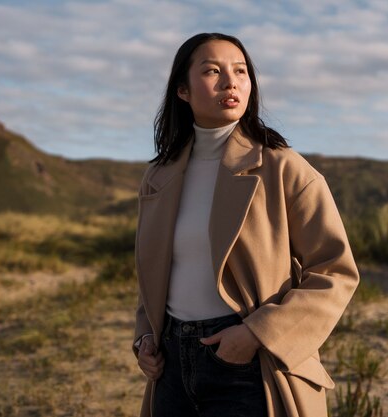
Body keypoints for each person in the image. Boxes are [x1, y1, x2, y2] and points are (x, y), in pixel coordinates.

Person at [133, 32, 359, 417]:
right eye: (212, 71)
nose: (230, 82)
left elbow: (335, 271)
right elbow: (155, 271)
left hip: (247, 363)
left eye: (240, 71)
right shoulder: (159, 176)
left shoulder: (283, 167)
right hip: (170, 365)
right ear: (183, 90)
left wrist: (257, 333)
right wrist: (144, 338)